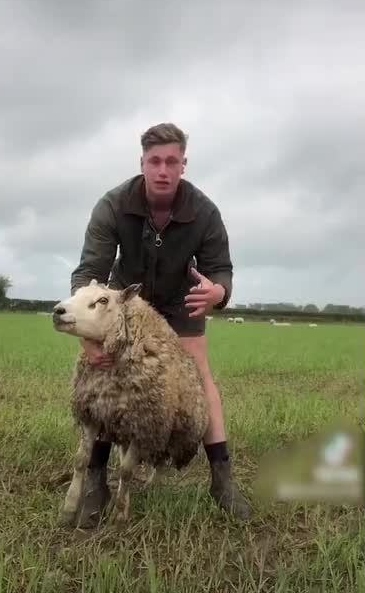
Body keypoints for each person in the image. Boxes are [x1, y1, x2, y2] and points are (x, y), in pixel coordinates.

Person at [68, 122, 252, 520]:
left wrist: (218, 293)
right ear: (143, 163)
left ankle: (223, 479)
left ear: (183, 164)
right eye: (155, 161)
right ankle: (98, 480)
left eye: (172, 161)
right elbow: (88, 274)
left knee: (198, 376)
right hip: (123, 300)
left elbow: (220, 269)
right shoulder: (114, 204)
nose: (163, 169)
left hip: (181, 300)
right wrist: (90, 334)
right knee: (105, 378)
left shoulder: (204, 211)